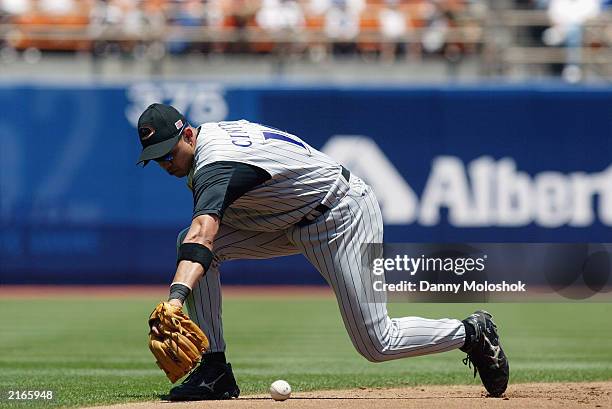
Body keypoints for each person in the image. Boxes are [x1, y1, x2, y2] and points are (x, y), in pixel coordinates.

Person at [135, 103, 509, 401]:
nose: (166, 163)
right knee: (194, 244)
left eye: (169, 153)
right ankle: (214, 370)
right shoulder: (211, 136)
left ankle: (471, 332)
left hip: (341, 216)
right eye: (157, 159)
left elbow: (205, 231)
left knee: (377, 343)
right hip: (286, 218)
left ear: (187, 134)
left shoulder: (215, 162)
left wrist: (175, 300)